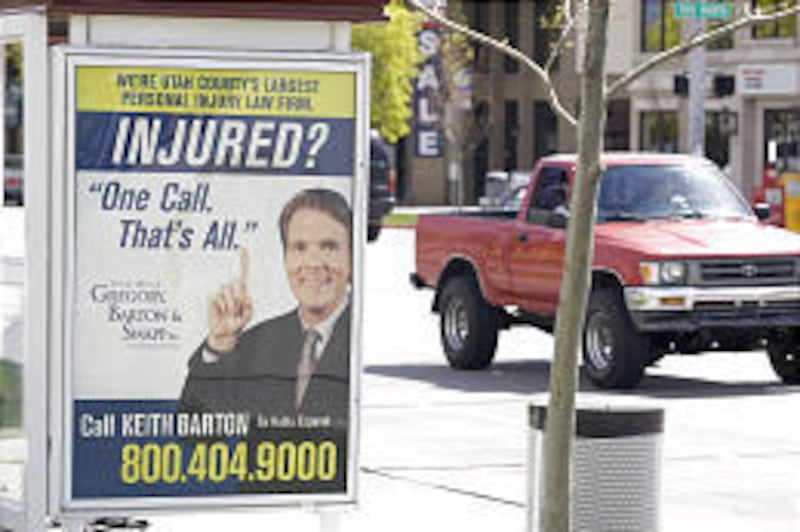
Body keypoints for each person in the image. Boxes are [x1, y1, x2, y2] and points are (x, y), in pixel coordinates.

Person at [179, 188, 352, 425]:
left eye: (328, 247)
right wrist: (218, 345)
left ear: (351, 257)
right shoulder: (260, 341)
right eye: (299, 248)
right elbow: (196, 432)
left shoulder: (363, 339)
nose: (313, 263)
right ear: (285, 258)